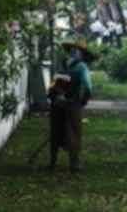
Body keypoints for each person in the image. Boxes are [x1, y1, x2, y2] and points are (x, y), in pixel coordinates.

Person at [48, 40, 94, 173]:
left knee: (56, 131)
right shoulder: (82, 67)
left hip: (57, 103)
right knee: (73, 132)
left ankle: (53, 162)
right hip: (72, 104)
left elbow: (52, 84)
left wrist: (55, 97)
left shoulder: (61, 64)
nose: (75, 52)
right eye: (75, 50)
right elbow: (88, 87)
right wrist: (82, 101)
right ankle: (74, 164)